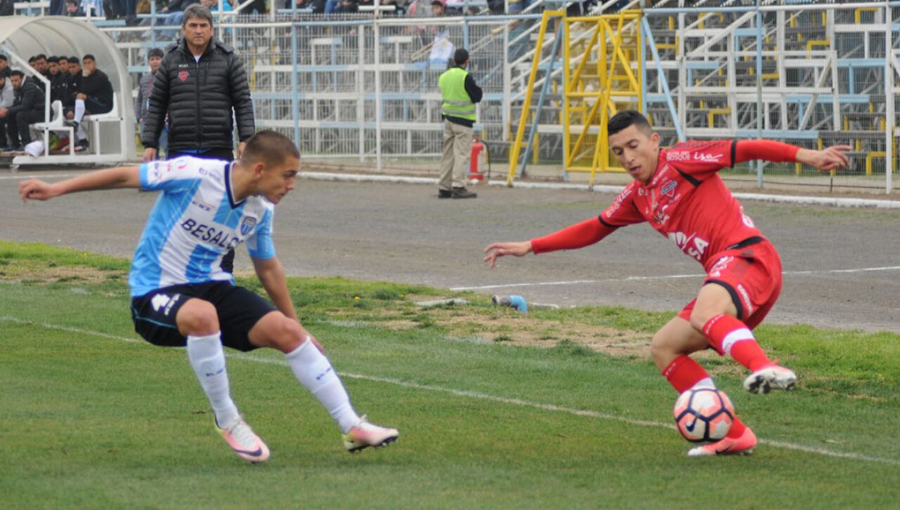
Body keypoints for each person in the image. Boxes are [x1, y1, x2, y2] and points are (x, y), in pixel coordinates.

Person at [483, 110, 852, 457]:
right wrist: (531, 246)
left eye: (633, 146)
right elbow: (595, 228)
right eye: (617, 152)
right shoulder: (638, 196)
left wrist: (808, 156)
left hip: (748, 257)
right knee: (664, 347)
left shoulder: (682, 160)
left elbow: (743, 149)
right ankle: (734, 434)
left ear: (654, 140)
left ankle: (765, 366)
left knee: (705, 311)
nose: (627, 157)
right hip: (725, 276)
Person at [18, 130, 399, 463]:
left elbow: (267, 267)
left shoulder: (261, 209)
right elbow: (124, 175)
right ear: (261, 169)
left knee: (290, 334)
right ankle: (228, 418)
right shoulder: (194, 174)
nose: (292, 185)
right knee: (202, 316)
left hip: (215, 288)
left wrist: (297, 323)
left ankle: (352, 426)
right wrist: (56, 188)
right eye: (289, 175)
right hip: (156, 292)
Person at [142, 4, 255, 273]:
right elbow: (157, 103)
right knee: (183, 216)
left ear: (212, 29)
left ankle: (223, 274)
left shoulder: (228, 59)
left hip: (218, 149)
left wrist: (246, 139)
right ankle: (183, 273)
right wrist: (149, 143)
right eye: (193, 25)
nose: (198, 30)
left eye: (203, 26)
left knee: (222, 214)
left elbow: (242, 101)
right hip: (181, 149)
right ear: (183, 29)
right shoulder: (170, 61)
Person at [437, 48, 481, 199]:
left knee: (447, 154)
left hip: (448, 119)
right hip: (463, 121)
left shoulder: (443, 76)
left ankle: (444, 187)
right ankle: (459, 186)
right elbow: (477, 96)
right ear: (466, 61)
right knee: (461, 154)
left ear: (454, 60)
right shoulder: (465, 77)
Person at [65, 54, 114, 152]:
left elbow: (84, 91)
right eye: (85, 63)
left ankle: (76, 123)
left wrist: (84, 77)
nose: (87, 65)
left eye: (89, 63)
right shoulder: (83, 77)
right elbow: (70, 96)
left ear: (95, 64)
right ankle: (83, 141)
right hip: (92, 103)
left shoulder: (100, 76)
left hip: (104, 105)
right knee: (70, 113)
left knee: (80, 97)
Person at [0, 70, 45, 151]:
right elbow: (16, 105)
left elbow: (26, 106)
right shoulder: (18, 88)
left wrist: (7, 110)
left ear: (22, 79)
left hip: (42, 112)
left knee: (21, 115)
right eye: (12, 81)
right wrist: (7, 110)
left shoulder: (29, 87)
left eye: (16, 80)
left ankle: (26, 144)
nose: (14, 83)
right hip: (32, 111)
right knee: (10, 114)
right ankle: (15, 144)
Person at [134, 48, 166, 156]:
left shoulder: (168, 77)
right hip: (146, 121)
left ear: (163, 60)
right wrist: (139, 116)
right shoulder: (144, 79)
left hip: (163, 121)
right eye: (152, 59)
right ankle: (153, 172)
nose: (155, 61)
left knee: (168, 149)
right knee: (150, 152)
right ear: (148, 61)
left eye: (158, 58)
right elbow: (139, 100)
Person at [0, 73, 13, 147]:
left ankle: (2, 144)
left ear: (3, 79)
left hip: (10, 111)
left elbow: (7, 103)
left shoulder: (9, 88)